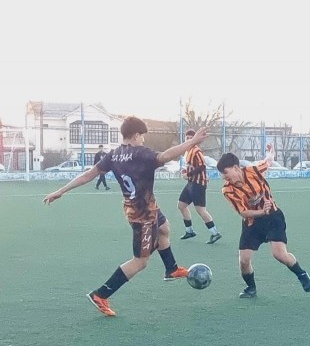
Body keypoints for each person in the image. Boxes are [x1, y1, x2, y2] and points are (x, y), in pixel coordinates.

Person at [43, 117, 209, 317]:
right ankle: (101, 294)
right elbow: (165, 157)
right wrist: (192, 141)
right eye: (143, 137)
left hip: (141, 207)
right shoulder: (141, 153)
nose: (143, 141)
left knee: (164, 228)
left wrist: (62, 190)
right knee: (141, 261)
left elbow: (89, 174)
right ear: (136, 135)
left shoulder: (114, 155)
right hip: (143, 214)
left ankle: (171, 269)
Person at [216, 145, 310, 298]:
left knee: (279, 254)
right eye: (221, 174)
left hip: (273, 217)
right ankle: (251, 288)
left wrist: (272, 152)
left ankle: (301, 274)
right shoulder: (228, 190)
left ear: (236, 168)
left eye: (225, 173)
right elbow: (243, 212)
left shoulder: (254, 170)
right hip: (252, 222)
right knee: (244, 261)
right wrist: (261, 211)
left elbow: (268, 161)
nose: (224, 177)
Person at [178, 129, 222, 244]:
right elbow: (191, 166)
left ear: (195, 139)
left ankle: (215, 233)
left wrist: (188, 174)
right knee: (181, 205)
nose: (188, 140)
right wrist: (185, 170)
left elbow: (202, 167)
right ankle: (189, 231)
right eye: (186, 138)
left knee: (200, 209)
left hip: (198, 184)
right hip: (191, 183)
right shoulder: (188, 150)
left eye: (190, 138)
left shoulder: (196, 151)